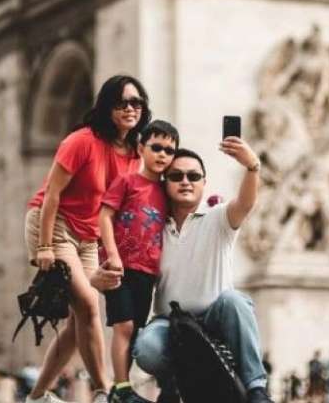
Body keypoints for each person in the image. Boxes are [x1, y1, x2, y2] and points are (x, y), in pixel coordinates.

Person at [23, 75, 149, 403]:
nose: (130, 109)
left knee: (77, 320)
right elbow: (52, 195)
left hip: (89, 237)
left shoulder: (136, 154)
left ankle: (36, 397)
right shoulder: (81, 141)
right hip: (54, 225)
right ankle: (106, 390)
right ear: (106, 107)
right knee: (90, 305)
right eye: (121, 103)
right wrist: (45, 246)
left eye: (136, 102)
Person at [132, 141, 275, 403]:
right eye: (176, 176)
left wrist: (253, 167)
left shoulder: (218, 218)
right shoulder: (153, 229)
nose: (185, 181)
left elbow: (245, 203)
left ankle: (256, 388)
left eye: (193, 176)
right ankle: (171, 384)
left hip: (216, 317)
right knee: (146, 348)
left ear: (203, 183)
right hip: (170, 322)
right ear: (165, 184)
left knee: (234, 301)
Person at [98, 120, 179, 403]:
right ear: (140, 147)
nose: (162, 155)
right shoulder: (127, 181)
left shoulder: (166, 191)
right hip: (119, 268)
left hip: (148, 272)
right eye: (156, 147)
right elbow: (104, 216)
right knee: (125, 327)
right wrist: (112, 255)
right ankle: (121, 387)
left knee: (136, 330)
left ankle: (120, 389)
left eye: (169, 150)